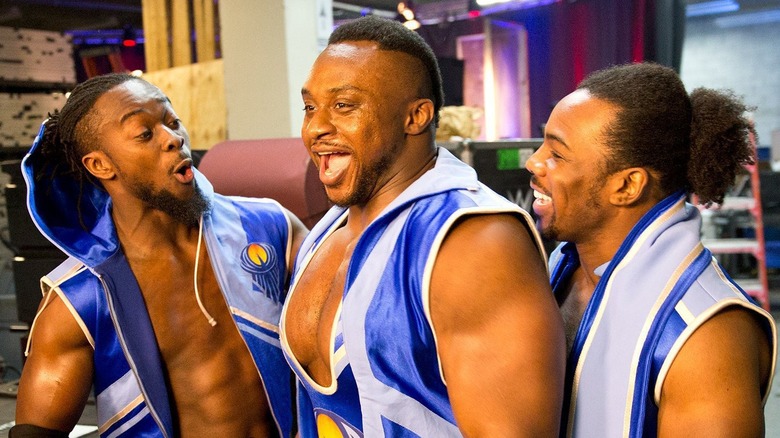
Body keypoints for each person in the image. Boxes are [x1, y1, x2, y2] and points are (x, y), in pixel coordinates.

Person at [279, 15, 566, 437]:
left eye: (343, 105)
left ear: (416, 116)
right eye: (310, 107)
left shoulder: (474, 241)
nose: (316, 127)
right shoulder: (328, 230)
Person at [13, 73, 307, 437]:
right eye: (145, 133)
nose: (174, 139)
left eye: (172, 122)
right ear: (101, 165)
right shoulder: (80, 299)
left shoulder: (271, 227)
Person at [525, 62, 777, 437]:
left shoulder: (705, 335)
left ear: (627, 186)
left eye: (557, 155)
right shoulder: (565, 264)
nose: (533, 162)